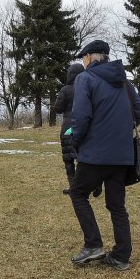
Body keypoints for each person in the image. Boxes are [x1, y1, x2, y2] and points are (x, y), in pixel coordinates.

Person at [69, 40, 140, 271]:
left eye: (84, 57)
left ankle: (93, 245)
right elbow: (139, 113)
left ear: (91, 57)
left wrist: (76, 142)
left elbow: (81, 117)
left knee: (78, 193)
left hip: (94, 153)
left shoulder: (85, 79)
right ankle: (121, 256)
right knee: (117, 205)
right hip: (122, 155)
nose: (83, 62)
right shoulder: (124, 82)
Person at [54, 63, 85, 194]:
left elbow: (57, 109)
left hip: (68, 128)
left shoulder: (65, 90)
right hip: (84, 127)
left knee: (68, 159)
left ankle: (74, 187)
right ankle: (91, 184)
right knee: (83, 158)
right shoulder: (86, 88)